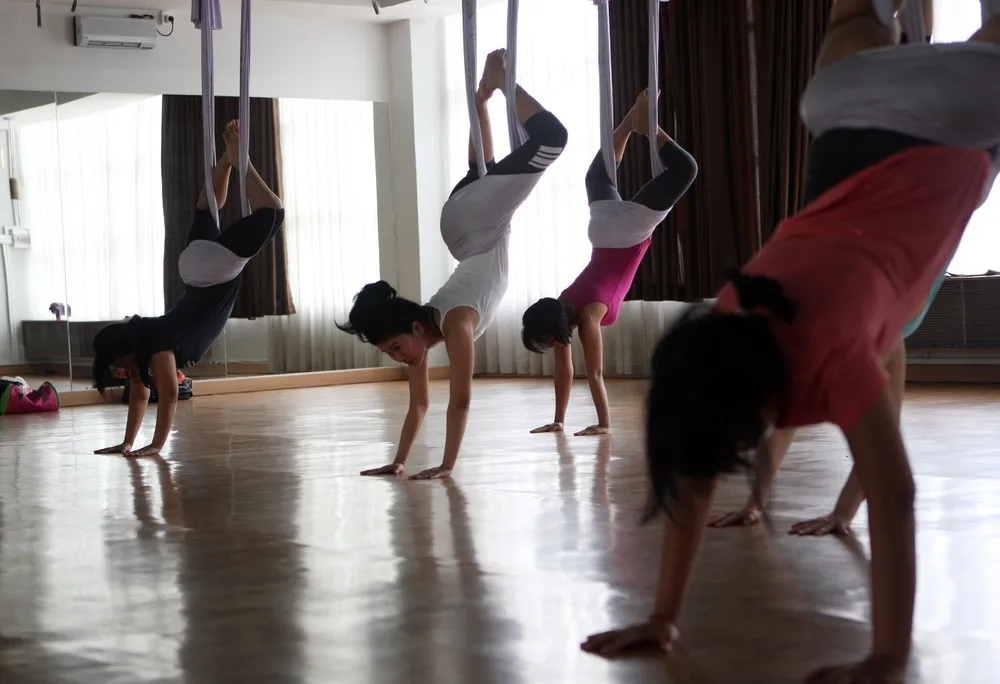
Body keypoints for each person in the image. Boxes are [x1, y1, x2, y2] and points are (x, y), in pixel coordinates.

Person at [581, 1, 1000, 683]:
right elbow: (693, 473)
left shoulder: (832, 357)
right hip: (844, 106)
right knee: (857, 14)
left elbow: (895, 498)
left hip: (955, 126)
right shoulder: (734, 312)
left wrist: (888, 658)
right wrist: (662, 617)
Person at [706, 0, 937, 537]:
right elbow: (876, 448)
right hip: (845, 127)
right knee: (871, 27)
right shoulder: (808, 327)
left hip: (888, 146)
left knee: (891, 35)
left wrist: (825, 511)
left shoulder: (867, 337)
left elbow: (881, 458)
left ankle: (913, 28)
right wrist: (779, 504)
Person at [339, 49, 568, 480]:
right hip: (464, 227)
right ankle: (481, 101)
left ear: (415, 329)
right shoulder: (428, 330)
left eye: (396, 348)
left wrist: (447, 465)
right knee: (482, 171)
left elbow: (461, 401)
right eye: (391, 353)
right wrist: (399, 460)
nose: (399, 358)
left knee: (552, 139)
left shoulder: (458, 323)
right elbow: (420, 405)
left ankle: (500, 79)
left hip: (475, 228)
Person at [92, 120, 285, 457]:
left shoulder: (158, 347)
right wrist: (126, 443)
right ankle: (227, 160)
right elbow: (139, 394)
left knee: (274, 213)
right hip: (192, 268)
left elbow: (168, 396)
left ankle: (240, 160)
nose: (123, 372)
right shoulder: (145, 340)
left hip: (212, 273)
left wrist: (156, 445)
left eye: (119, 365)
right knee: (205, 211)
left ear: (125, 350)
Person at [521, 89, 697, 437]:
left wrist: (603, 424)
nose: (554, 346)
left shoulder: (586, 318)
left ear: (553, 331)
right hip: (601, 231)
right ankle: (631, 122)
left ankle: (648, 126)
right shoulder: (561, 304)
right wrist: (558, 421)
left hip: (627, 234)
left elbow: (595, 373)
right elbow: (565, 370)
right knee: (597, 178)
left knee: (685, 170)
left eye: (549, 341)